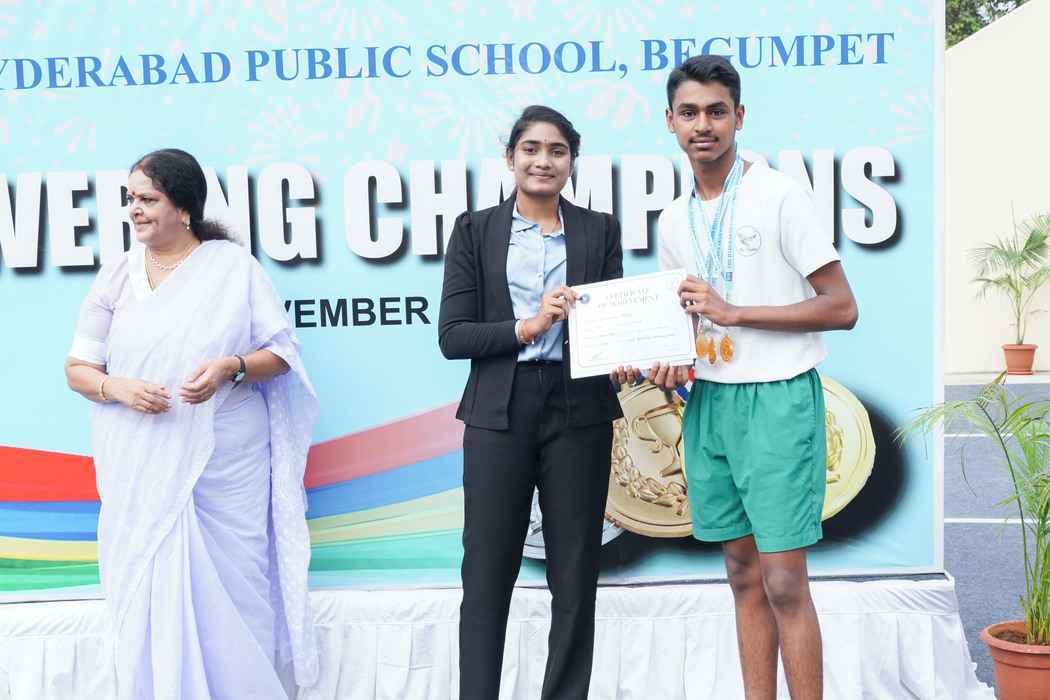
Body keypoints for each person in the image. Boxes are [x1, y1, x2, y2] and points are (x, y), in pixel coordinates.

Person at [614, 55, 859, 700]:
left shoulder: (779, 194)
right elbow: (686, 324)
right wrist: (661, 357)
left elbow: (841, 307)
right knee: (741, 573)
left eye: (716, 111)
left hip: (777, 399)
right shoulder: (673, 220)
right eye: (689, 112)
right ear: (670, 122)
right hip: (710, 401)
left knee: (784, 581)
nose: (703, 125)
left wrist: (735, 312)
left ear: (739, 117)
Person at [64, 148, 319, 699]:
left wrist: (231, 368)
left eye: (148, 199)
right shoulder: (116, 276)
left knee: (235, 584)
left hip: (225, 461)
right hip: (141, 461)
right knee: (151, 581)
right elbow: (78, 369)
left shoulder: (233, 269)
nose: (134, 209)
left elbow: (281, 356)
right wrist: (118, 388)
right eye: (131, 198)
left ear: (184, 208)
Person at [438, 105, 623, 699]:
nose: (544, 161)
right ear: (510, 157)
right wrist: (528, 326)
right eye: (531, 149)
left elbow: (610, 325)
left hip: (580, 409)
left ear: (573, 161)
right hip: (499, 409)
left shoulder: (600, 230)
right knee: (486, 572)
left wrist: (625, 352)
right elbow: (453, 336)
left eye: (557, 150)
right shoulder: (475, 230)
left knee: (575, 573)